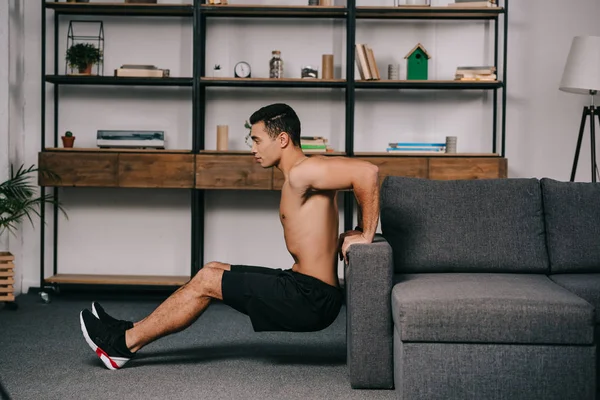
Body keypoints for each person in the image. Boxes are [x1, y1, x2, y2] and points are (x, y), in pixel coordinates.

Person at [79, 103, 380, 370]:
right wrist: (352, 229)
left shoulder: (304, 171)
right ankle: (130, 329)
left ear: (283, 139)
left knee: (207, 283)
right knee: (212, 270)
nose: (253, 149)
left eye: (258, 141)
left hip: (310, 298)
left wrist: (366, 234)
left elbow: (367, 173)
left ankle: (121, 345)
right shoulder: (304, 173)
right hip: (304, 287)